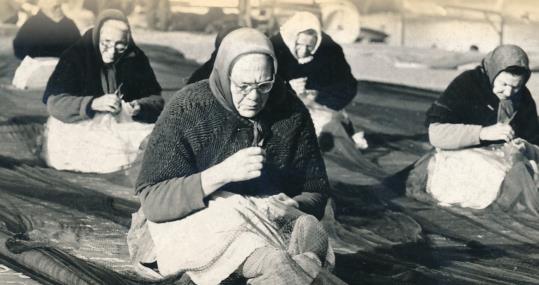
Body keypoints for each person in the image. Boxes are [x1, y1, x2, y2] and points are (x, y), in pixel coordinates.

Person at [127, 28, 338, 284]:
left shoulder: (291, 112)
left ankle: (285, 268)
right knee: (229, 212)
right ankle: (285, 265)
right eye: (243, 86)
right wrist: (221, 174)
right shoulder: (189, 108)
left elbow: (315, 189)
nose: (254, 97)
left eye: (264, 85)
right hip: (195, 220)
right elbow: (153, 200)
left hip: (266, 220)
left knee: (310, 223)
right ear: (223, 74)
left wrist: (295, 205)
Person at [42, 9, 163, 173]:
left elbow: (156, 99)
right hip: (78, 123)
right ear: (97, 36)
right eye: (106, 43)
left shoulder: (135, 57)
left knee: (160, 139)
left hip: (121, 121)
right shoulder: (76, 56)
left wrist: (140, 106)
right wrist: (92, 104)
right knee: (114, 150)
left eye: (120, 46)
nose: (112, 52)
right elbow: (54, 104)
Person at [421, 44, 539, 213]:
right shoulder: (467, 84)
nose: (508, 92)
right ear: (493, 72)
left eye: (516, 86)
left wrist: (527, 147)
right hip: (461, 157)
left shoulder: (523, 97)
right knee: (493, 177)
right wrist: (483, 133)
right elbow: (436, 133)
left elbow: (535, 140)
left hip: (504, 160)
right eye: (503, 83)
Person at [270, 12, 359, 138]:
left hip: (319, 109)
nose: (304, 51)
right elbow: (260, 85)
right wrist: (286, 88)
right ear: (291, 38)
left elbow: (348, 85)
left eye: (310, 46)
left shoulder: (330, 49)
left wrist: (317, 97)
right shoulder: (274, 47)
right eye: (299, 44)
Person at [12, 0, 80, 59]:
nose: (55, 2)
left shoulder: (69, 24)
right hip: (39, 66)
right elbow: (19, 49)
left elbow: (79, 48)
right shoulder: (32, 25)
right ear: (41, 4)